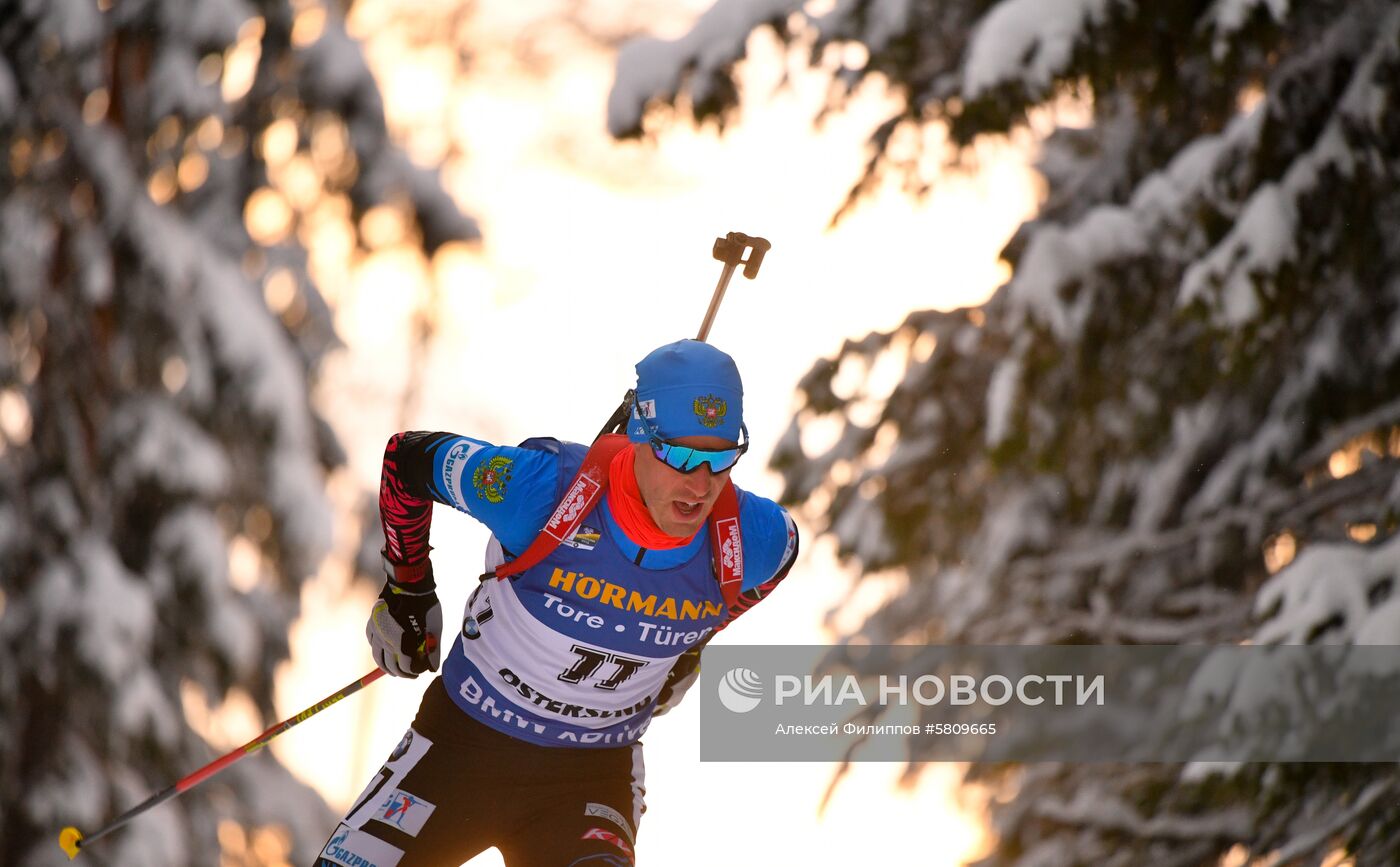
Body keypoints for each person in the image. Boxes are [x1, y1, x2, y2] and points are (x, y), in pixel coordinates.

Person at [316, 339, 799, 867]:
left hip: (589, 777)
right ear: (639, 433)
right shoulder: (539, 490)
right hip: (460, 748)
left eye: (721, 458)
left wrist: (689, 646)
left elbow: (781, 559)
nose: (701, 484)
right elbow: (409, 459)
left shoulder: (752, 537)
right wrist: (408, 589)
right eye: (681, 456)